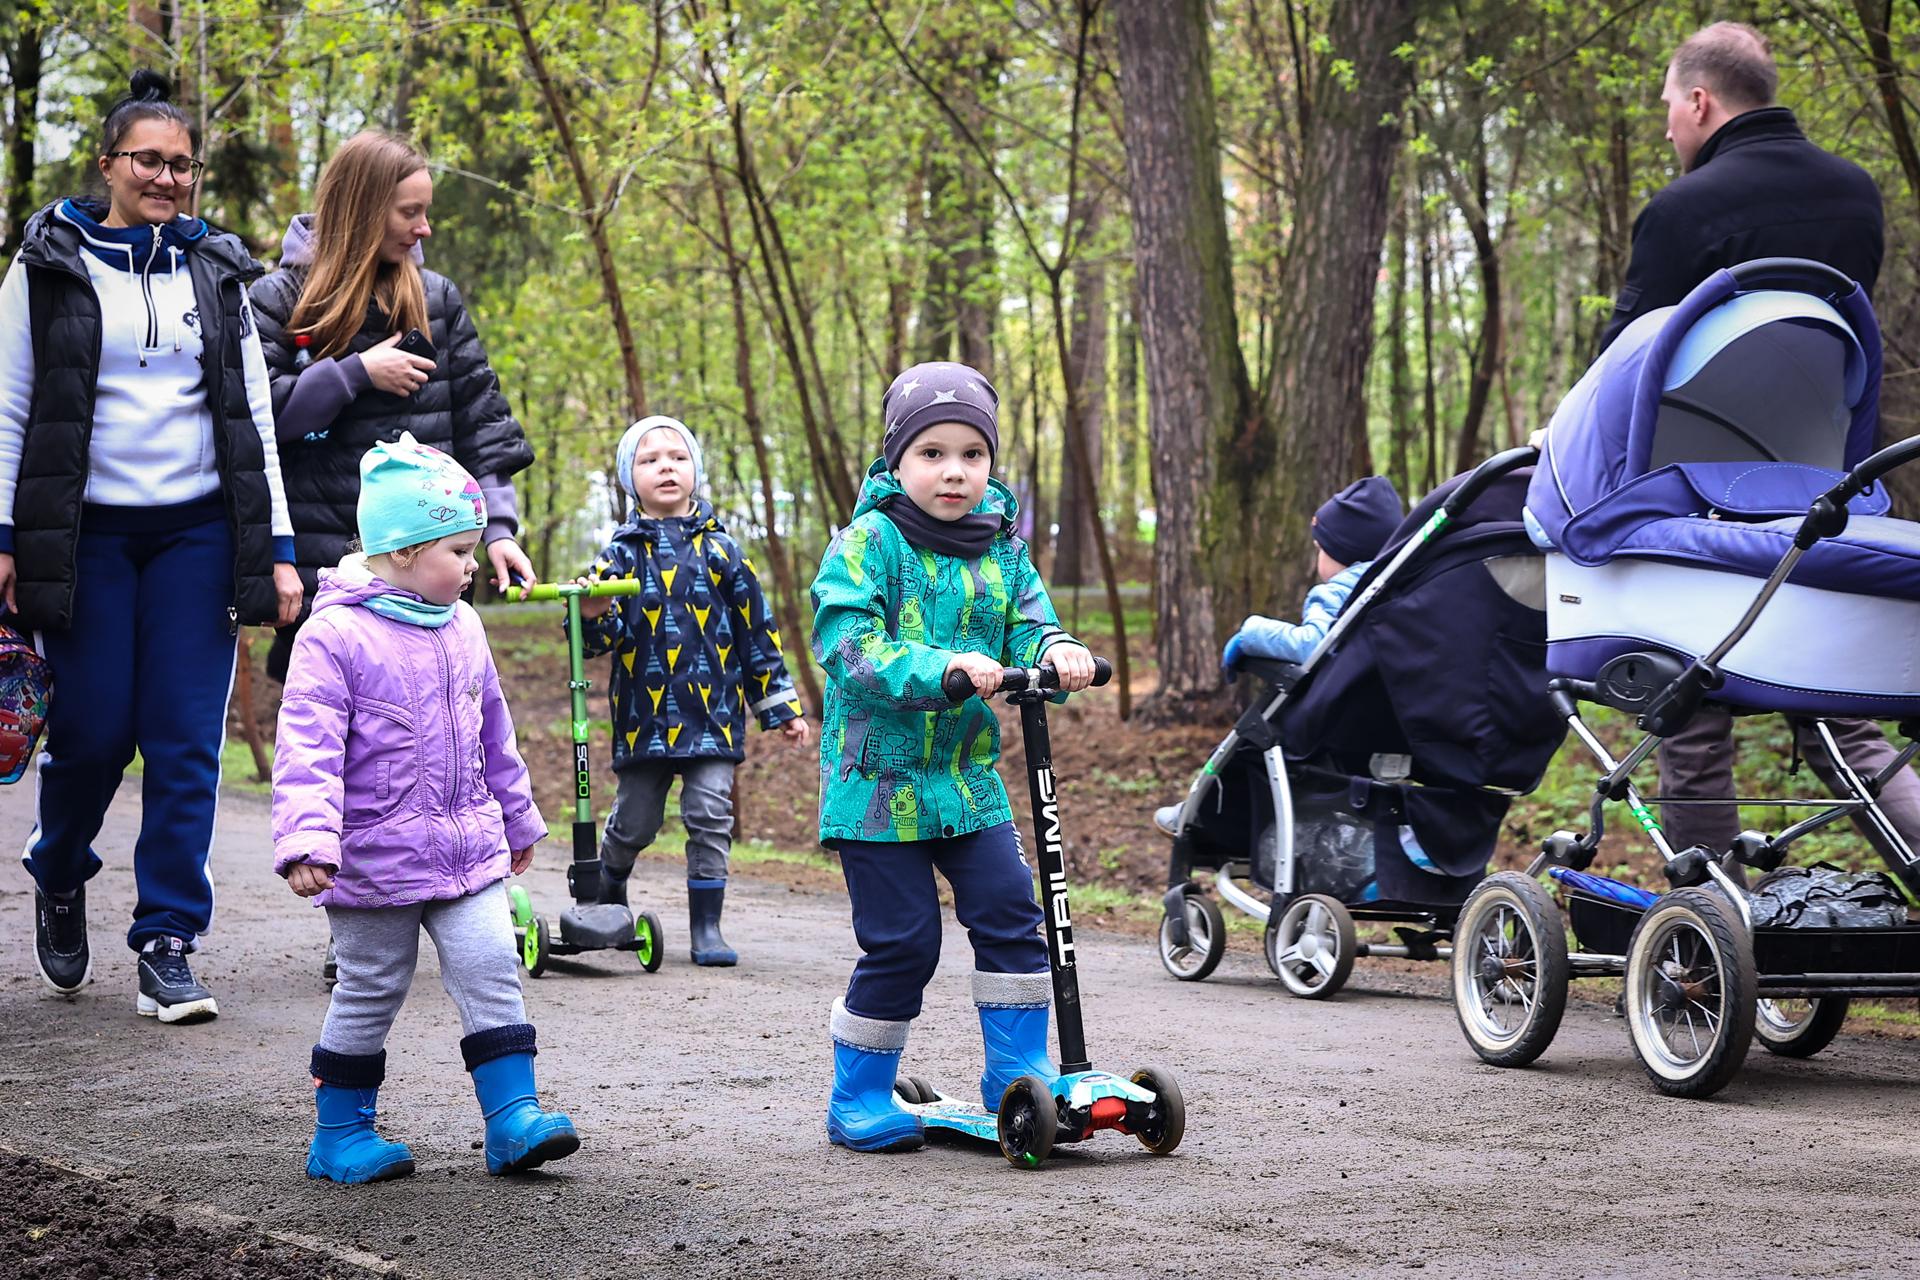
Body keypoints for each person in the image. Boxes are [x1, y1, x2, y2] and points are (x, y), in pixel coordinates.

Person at [0, 71, 302, 1020]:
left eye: (182, 165)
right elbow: (12, 406)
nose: (167, 178)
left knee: (182, 744)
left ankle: (167, 938)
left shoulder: (216, 270)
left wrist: (279, 547)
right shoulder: (48, 262)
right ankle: (58, 866)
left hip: (197, 534)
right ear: (109, 165)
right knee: (90, 734)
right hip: (84, 537)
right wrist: (5, 536)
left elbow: (253, 413)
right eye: (149, 161)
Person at [1600, 22, 1918, 860]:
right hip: (1824, 497)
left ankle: (1707, 946)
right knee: (1844, 720)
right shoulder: (1856, 194)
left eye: (1670, 106)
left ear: (1701, 102)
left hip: (1701, 503)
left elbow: (1625, 363)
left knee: (1693, 713)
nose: (1668, 125)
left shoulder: (1681, 211)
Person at [273, 434, 576, 1183]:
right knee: (371, 986)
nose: (474, 565)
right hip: (372, 855)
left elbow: (494, 730)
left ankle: (512, 1119)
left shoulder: (464, 626)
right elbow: (305, 747)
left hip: (467, 846)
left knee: (490, 961)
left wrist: (517, 818)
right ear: (404, 551)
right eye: (460, 550)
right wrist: (309, 839)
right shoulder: (334, 635)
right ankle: (339, 1134)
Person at [809, 360, 1095, 1153]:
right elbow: (848, 644)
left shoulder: (1004, 549)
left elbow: (1031, 625)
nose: (954, 471)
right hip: (878, 789)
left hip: (968, 785)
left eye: (972, 454)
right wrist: (941, 668)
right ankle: (859, 1094)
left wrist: (1059, 649)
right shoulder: (868, 544)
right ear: (897, 460)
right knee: (904, 942)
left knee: (1012, 914)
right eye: (933, 452)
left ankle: (1018, 1072)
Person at [251, 130, 537, 683]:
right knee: (333, 749)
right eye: (411, 212)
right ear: (361, 211)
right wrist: (355, 374)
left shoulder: (437, 299)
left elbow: (479, 421)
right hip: (325, 581)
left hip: (431, 577)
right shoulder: (278, 299)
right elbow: (257, 421)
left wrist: (498, 530)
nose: (424, 228)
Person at [574, 414, 810, 965]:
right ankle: (609, 887)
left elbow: (758, 633)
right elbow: (593, 642)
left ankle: (707, 928)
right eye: (650, 459)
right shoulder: (618, 555)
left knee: (709, 813)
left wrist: (780, 708)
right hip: (644, 716)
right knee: (636, 820)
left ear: (695, 472)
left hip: (714, 715)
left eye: (677, 458)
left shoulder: (724, 552)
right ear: (629, 479)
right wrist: (589, 611)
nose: (666, 467)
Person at [1220, 475, 1403, 672]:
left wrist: (1250, 635)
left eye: (1320, 549)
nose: (1319, 557)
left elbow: (1313, 645)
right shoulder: (1401, 586)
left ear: (1343, 553)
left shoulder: (1340, 592)